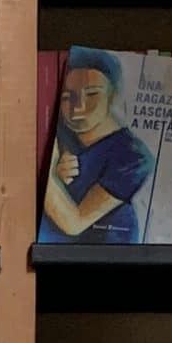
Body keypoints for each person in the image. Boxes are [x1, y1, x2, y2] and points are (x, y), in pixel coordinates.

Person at [39, 48, 153, 244]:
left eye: (92, 94)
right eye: (67, 97)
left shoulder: (133, 156)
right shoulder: (60, 134)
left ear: (112, 96)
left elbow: (74, 223)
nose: (78, 108)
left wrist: (46, 169)